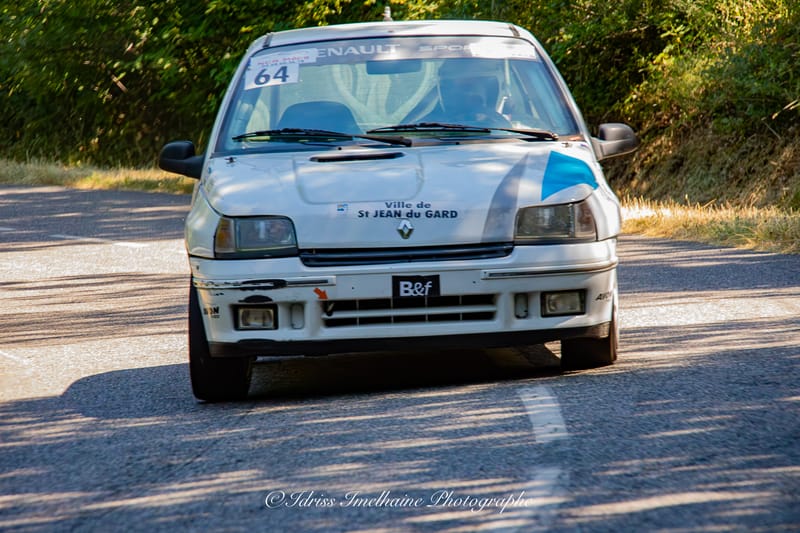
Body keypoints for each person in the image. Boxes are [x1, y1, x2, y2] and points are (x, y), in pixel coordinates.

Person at [421, 58, 511, 128]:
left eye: (477, 83)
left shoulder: (505, 130)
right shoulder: (428, 124)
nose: (470, 93)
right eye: (465, 87)